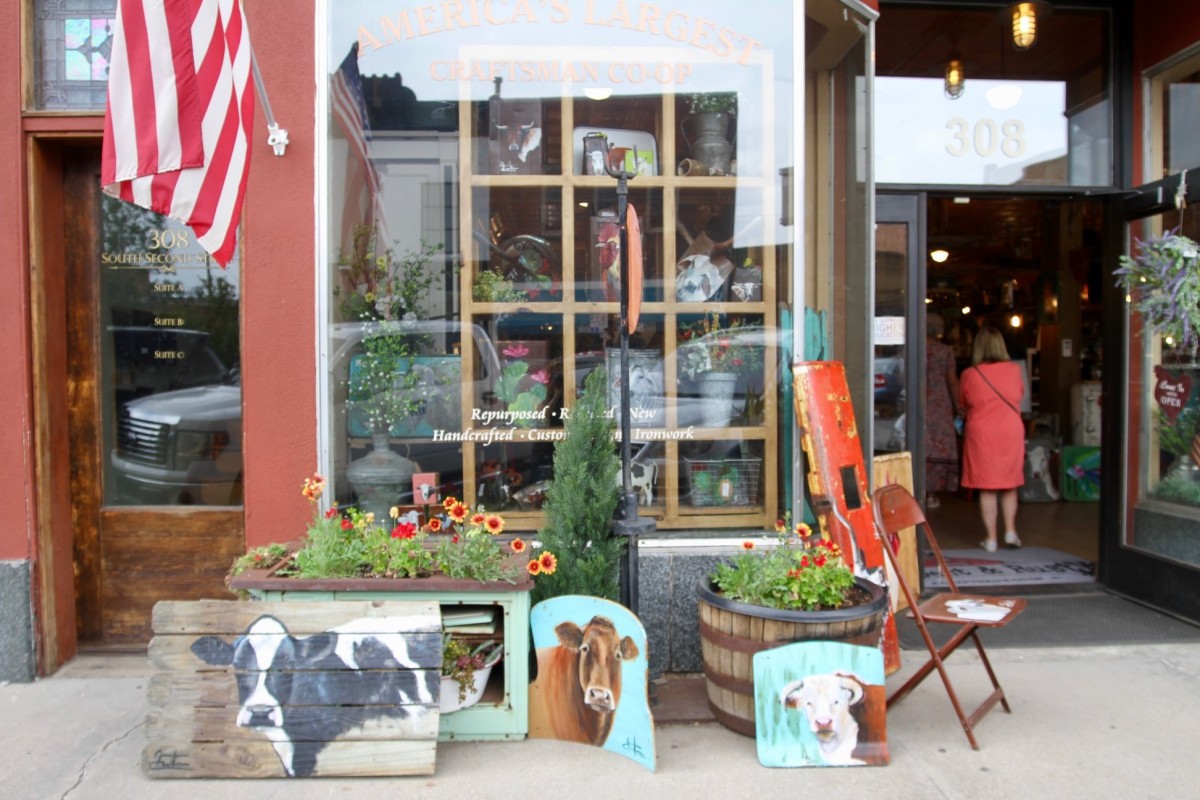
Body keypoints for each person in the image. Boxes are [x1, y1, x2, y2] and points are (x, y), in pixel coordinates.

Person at [959, 327, 1025, 552]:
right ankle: (1011, 531)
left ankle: (991, 539)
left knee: (987, 487)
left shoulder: (970, 374)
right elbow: (1019, 395)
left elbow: (963, 403)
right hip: (1010, 429)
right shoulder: (1015, 370)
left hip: (982, 432)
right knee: (1010, 483)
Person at [924, 314, 959, 509]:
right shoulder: (945, 351)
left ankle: (915, 487)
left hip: (918, 400)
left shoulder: (914, 348)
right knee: (938, 445)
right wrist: (958, 406)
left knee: (920, 443)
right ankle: (931, 493)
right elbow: (952, 381)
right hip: (939, 402)